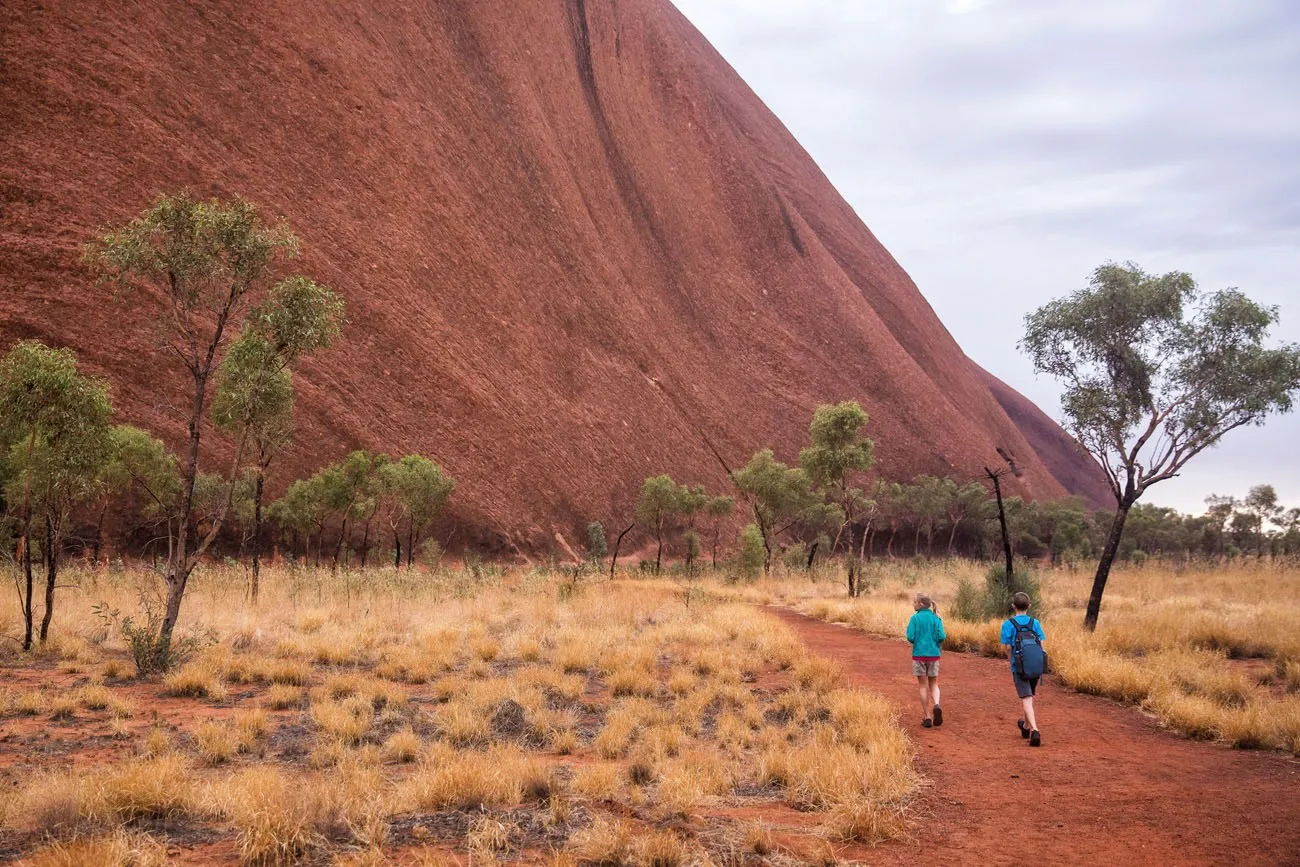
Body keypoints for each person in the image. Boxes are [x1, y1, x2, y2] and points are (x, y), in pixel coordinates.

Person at [1001, 591, 1045, 746]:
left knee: (1026, 699)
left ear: (1013, 606)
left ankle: (1035, 730)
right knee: (1030, 696)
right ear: (1029, 606)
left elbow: (1007, 647)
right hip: (1035, 665)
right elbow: (1041, 644)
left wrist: (1011, 661)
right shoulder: (1035, 623)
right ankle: (1025, 727)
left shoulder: (1008, 624)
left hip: (1019, 666)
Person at [905, 593, 946, 728]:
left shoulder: (915, 618)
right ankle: (937, 704)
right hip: (934, 655)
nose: (913, 604)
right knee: (933, 683)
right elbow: (942, 636)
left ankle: (927, 716)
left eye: (915, 602)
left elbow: (910, 637)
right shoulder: (936, 618)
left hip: (919, 655)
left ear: (921, 604)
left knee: (923, 685)